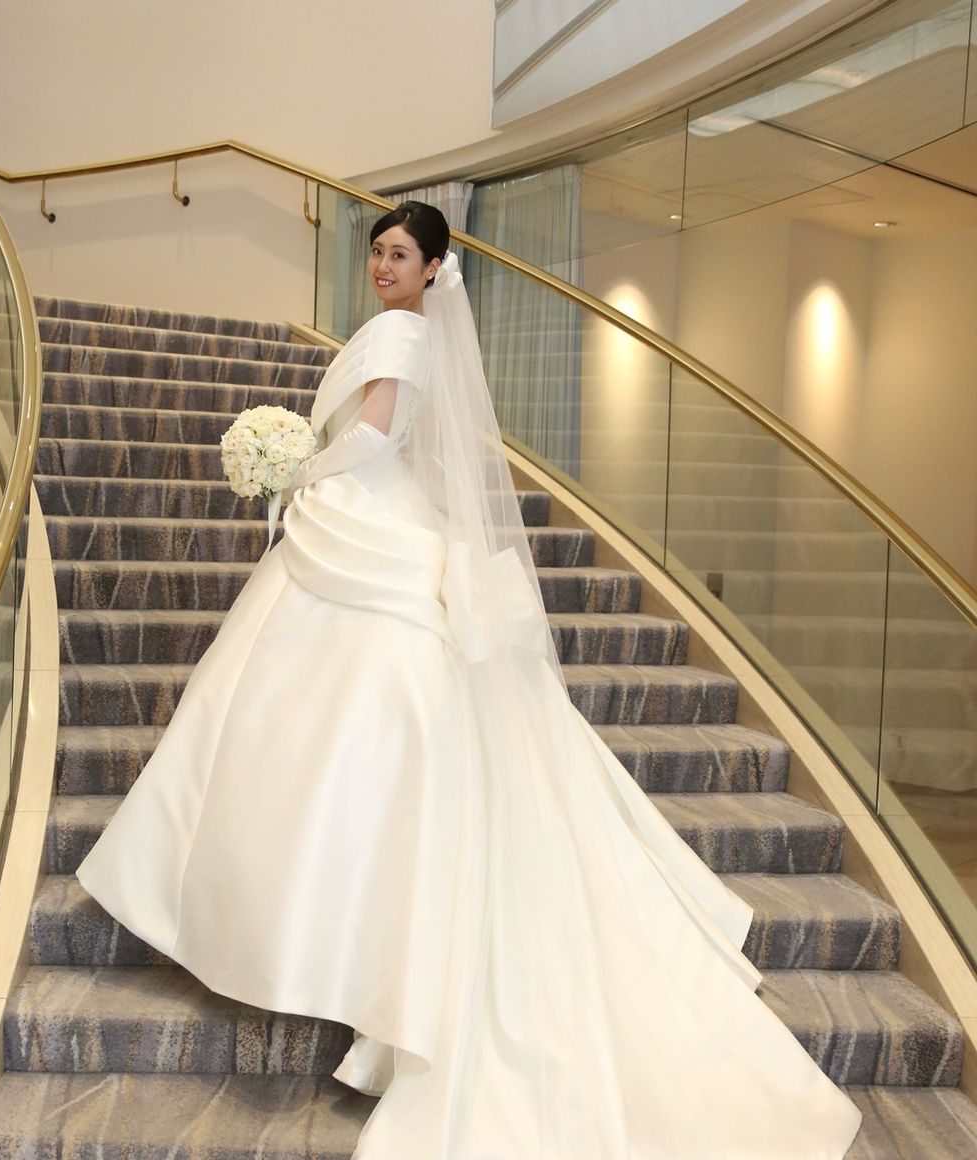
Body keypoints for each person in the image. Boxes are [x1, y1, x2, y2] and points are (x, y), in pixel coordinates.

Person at [77, 201, 863, 1158]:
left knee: (310, 712)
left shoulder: (402, 336)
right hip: (372, 519)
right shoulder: (407, 330)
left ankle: (273, 923)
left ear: (432, 268)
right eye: (376, 250)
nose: (382, 265)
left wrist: (299, 473)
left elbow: (375, 438)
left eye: (399, 254)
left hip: (360, 513)